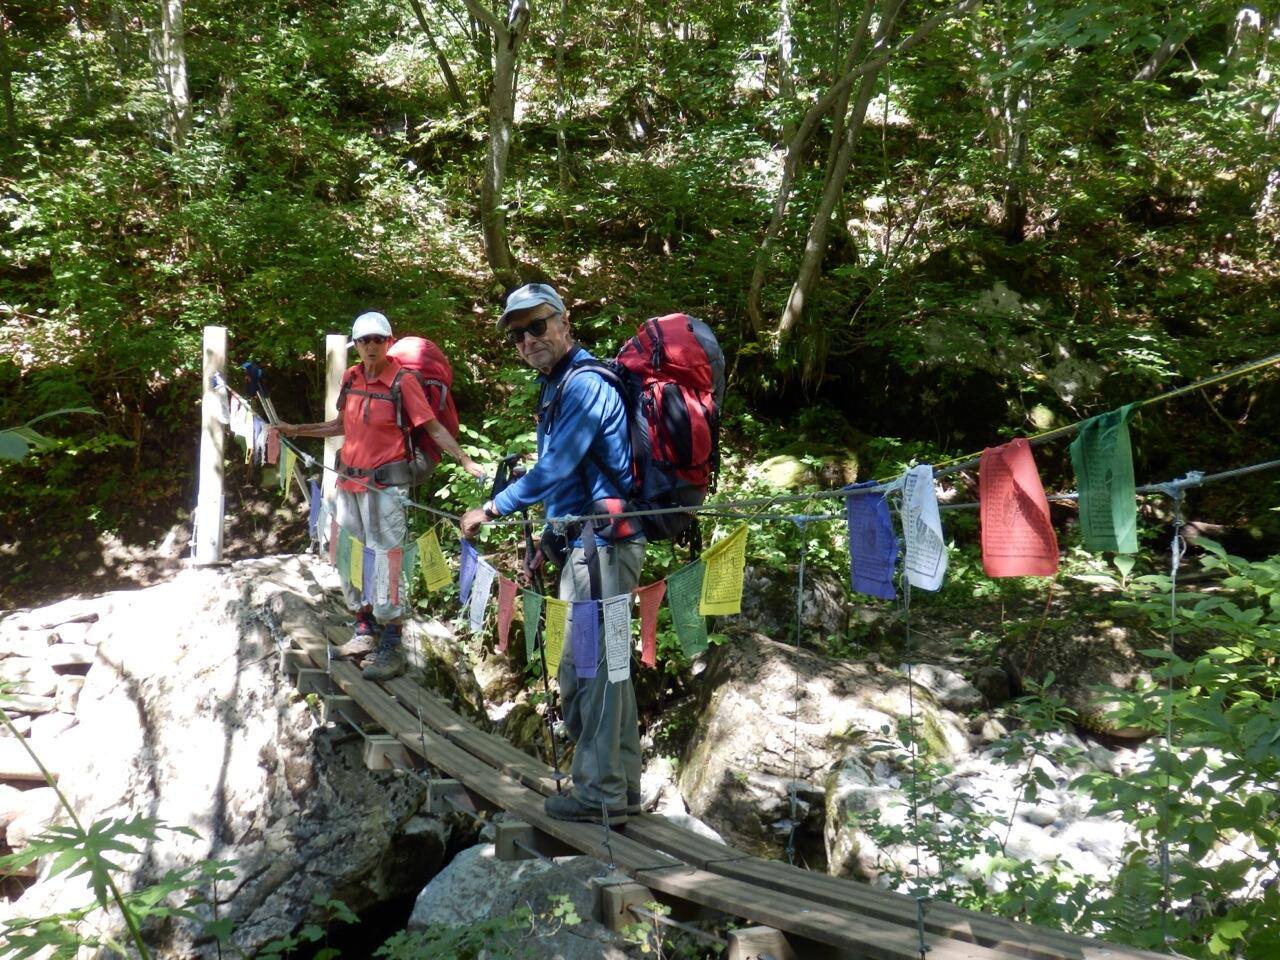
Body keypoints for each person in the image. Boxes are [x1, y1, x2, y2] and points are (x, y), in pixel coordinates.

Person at [460, 283, 645, 825]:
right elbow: (572, 480)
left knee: (591, 669)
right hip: (588, 543)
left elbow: (556, 467)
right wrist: (548, 540)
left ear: (564, 322)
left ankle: (600, 794)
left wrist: (492, 508)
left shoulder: (583, 385)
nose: (528, 340)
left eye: (537, 326)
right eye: (518, 335)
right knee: (607, 666)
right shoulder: (559, 385)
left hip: (602, 550)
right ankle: (622, 787)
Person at [276, 311, 486, 681]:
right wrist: (296, 429)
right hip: (348, 482)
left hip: (386, 486)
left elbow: (432, 427)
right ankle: (363, 632)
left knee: (386, 560)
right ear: (355, 345)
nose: (371, 346)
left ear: (388, 342)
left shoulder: (403, 381)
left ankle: (392, 645)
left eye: (378, 339)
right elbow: (340, 425)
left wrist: (464, 459)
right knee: (351, 555)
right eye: (364, 340)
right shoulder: (351, 377)